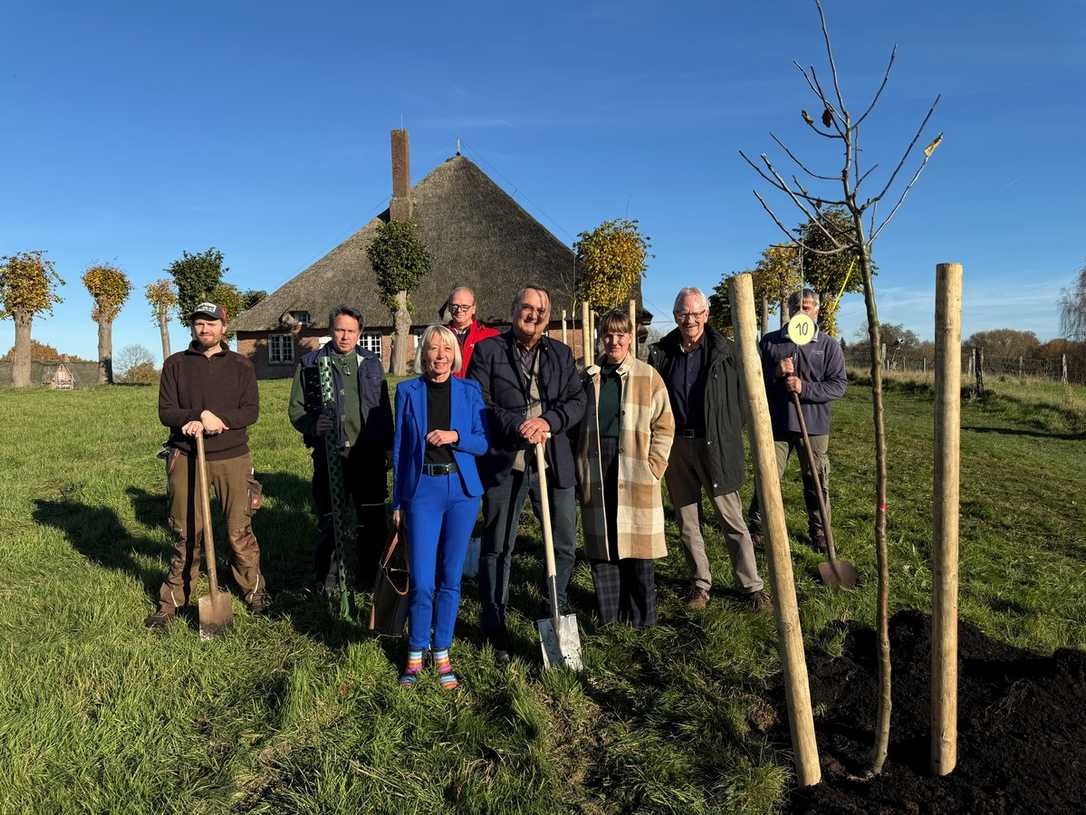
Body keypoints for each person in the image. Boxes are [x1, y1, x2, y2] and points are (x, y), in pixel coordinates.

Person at [467, 284, 586, 663]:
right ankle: (493, 619)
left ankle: (557, 604)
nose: (533, 314)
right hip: (507, 459)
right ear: (513, 308)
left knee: (565, 541)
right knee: (499, 544)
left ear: (547, 317)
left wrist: (547, 422)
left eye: (540, 310)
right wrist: (519, 424)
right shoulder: (488, 351)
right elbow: (479, 402)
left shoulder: (562, 355)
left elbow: (577, 400)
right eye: (527, 307)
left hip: (554, 460)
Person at [146, 302, 266, 628]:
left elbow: (250, 411)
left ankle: (253, 591)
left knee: (238, 529)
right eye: (199, 323)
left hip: (232, 457)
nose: (205, 329)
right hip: (187, 455)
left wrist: (220, 420)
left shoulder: (241, 366)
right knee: (186, 532)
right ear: (193, 328)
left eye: (211, 324)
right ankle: (172, 600)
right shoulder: (176, 365)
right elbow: (166, 411)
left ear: (223, 328)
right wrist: (192, 419)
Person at [648, 287, 768, 612]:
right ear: (675, 316)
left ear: (706, 314)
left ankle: (751, 586)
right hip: (676, 447)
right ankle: (700, 585)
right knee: (688, 523)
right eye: (684, 313)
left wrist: (726, 427)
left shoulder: (726, 352)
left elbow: (747, 397)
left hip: (716, 445)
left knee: (732, 520)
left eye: (696, 313)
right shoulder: (661, 353)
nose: (690, 319)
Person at [392, 325, 488, 689]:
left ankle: (443, 651)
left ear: (454, 353)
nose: (439, 356)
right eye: (432, 349)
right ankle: (416, 650)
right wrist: (398, 501)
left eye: (446, 348)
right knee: (421, 579)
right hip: (422, 491)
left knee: (450, 578)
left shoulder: (469, 390)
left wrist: (456, 437)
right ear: (424, 354)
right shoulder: (407, 391)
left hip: (462, 490)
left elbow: (482, 443)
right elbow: (401, 449)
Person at [576, 309, 674, 628]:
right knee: (605, 541)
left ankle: (643, 619)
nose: (614, 341)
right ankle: (611, 618)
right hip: (597, 462)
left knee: (637, 546)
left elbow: (664, 425)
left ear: (630, 338)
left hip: (635, 464)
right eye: (609, 335)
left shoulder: (648, 376)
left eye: (620, 335)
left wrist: (654, 465)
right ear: (602, 338)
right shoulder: (589, 376)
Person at [288, 306, 392, 589]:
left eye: (350, 331)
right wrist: (312, 425)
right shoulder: (310, 363)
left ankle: (369, 577)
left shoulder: (370, 362)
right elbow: (296, 409)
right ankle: (327, 580)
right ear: (330, 330)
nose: (344, 336)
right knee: (330, 519)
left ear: (359, 333)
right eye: (339, 330)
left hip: (367, 452)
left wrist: (388, 447)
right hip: (329, 453)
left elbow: (383, 409)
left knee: (371, 520)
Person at [748, 288, 847, 552]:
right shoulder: (770, 342)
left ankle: (820, 531)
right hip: (778, 423)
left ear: (817, 311)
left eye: (807, 307)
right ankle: (758, 527)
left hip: (813, 427)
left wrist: (805, 388)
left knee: (816, 480)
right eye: (797, 307)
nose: (802, 312)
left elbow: (838, 386)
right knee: (768, 477)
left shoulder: (828, 345)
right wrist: (774, 372)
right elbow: (752, 381)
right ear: (789, 311)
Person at [442, 286, 499, 378]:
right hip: (450, 391)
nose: (459, 310)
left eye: (465, 306)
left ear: (473, 309)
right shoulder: (440, 337)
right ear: (449, 308)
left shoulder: (492, 336)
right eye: (455, 306)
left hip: (479, 391)